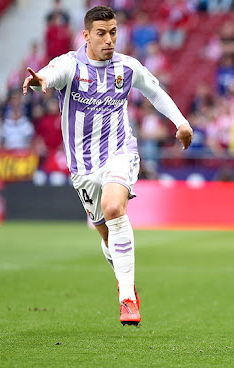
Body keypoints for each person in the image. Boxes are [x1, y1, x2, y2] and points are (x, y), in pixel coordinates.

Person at [22, 6, 193, 326]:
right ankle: (124, 279)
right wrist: (39, 80)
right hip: (82, 167)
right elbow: (49, 73)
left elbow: (155, 91)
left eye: (113, 32)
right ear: (86, 36)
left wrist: (181, 123)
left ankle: (127, 297)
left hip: (119, 152)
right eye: (101, 33)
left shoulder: (127, 67)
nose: (109, 40)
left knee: (115, 209)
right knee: (105, 235)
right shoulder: (70, 65)